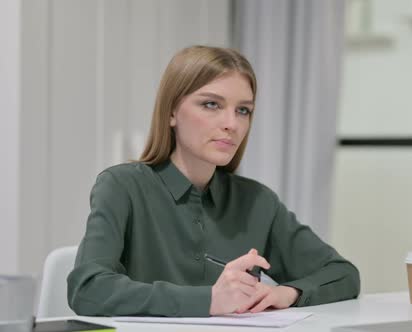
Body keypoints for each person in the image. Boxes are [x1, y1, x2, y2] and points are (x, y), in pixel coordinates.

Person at [67, 45, 360, 317]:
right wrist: (209, 300)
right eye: (211, 104)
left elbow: (342, 274)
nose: (231, 124)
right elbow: (88, 289)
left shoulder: (257, 202)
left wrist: (288, 293)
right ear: (171, 112)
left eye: (243, 110)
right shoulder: (121, 186)